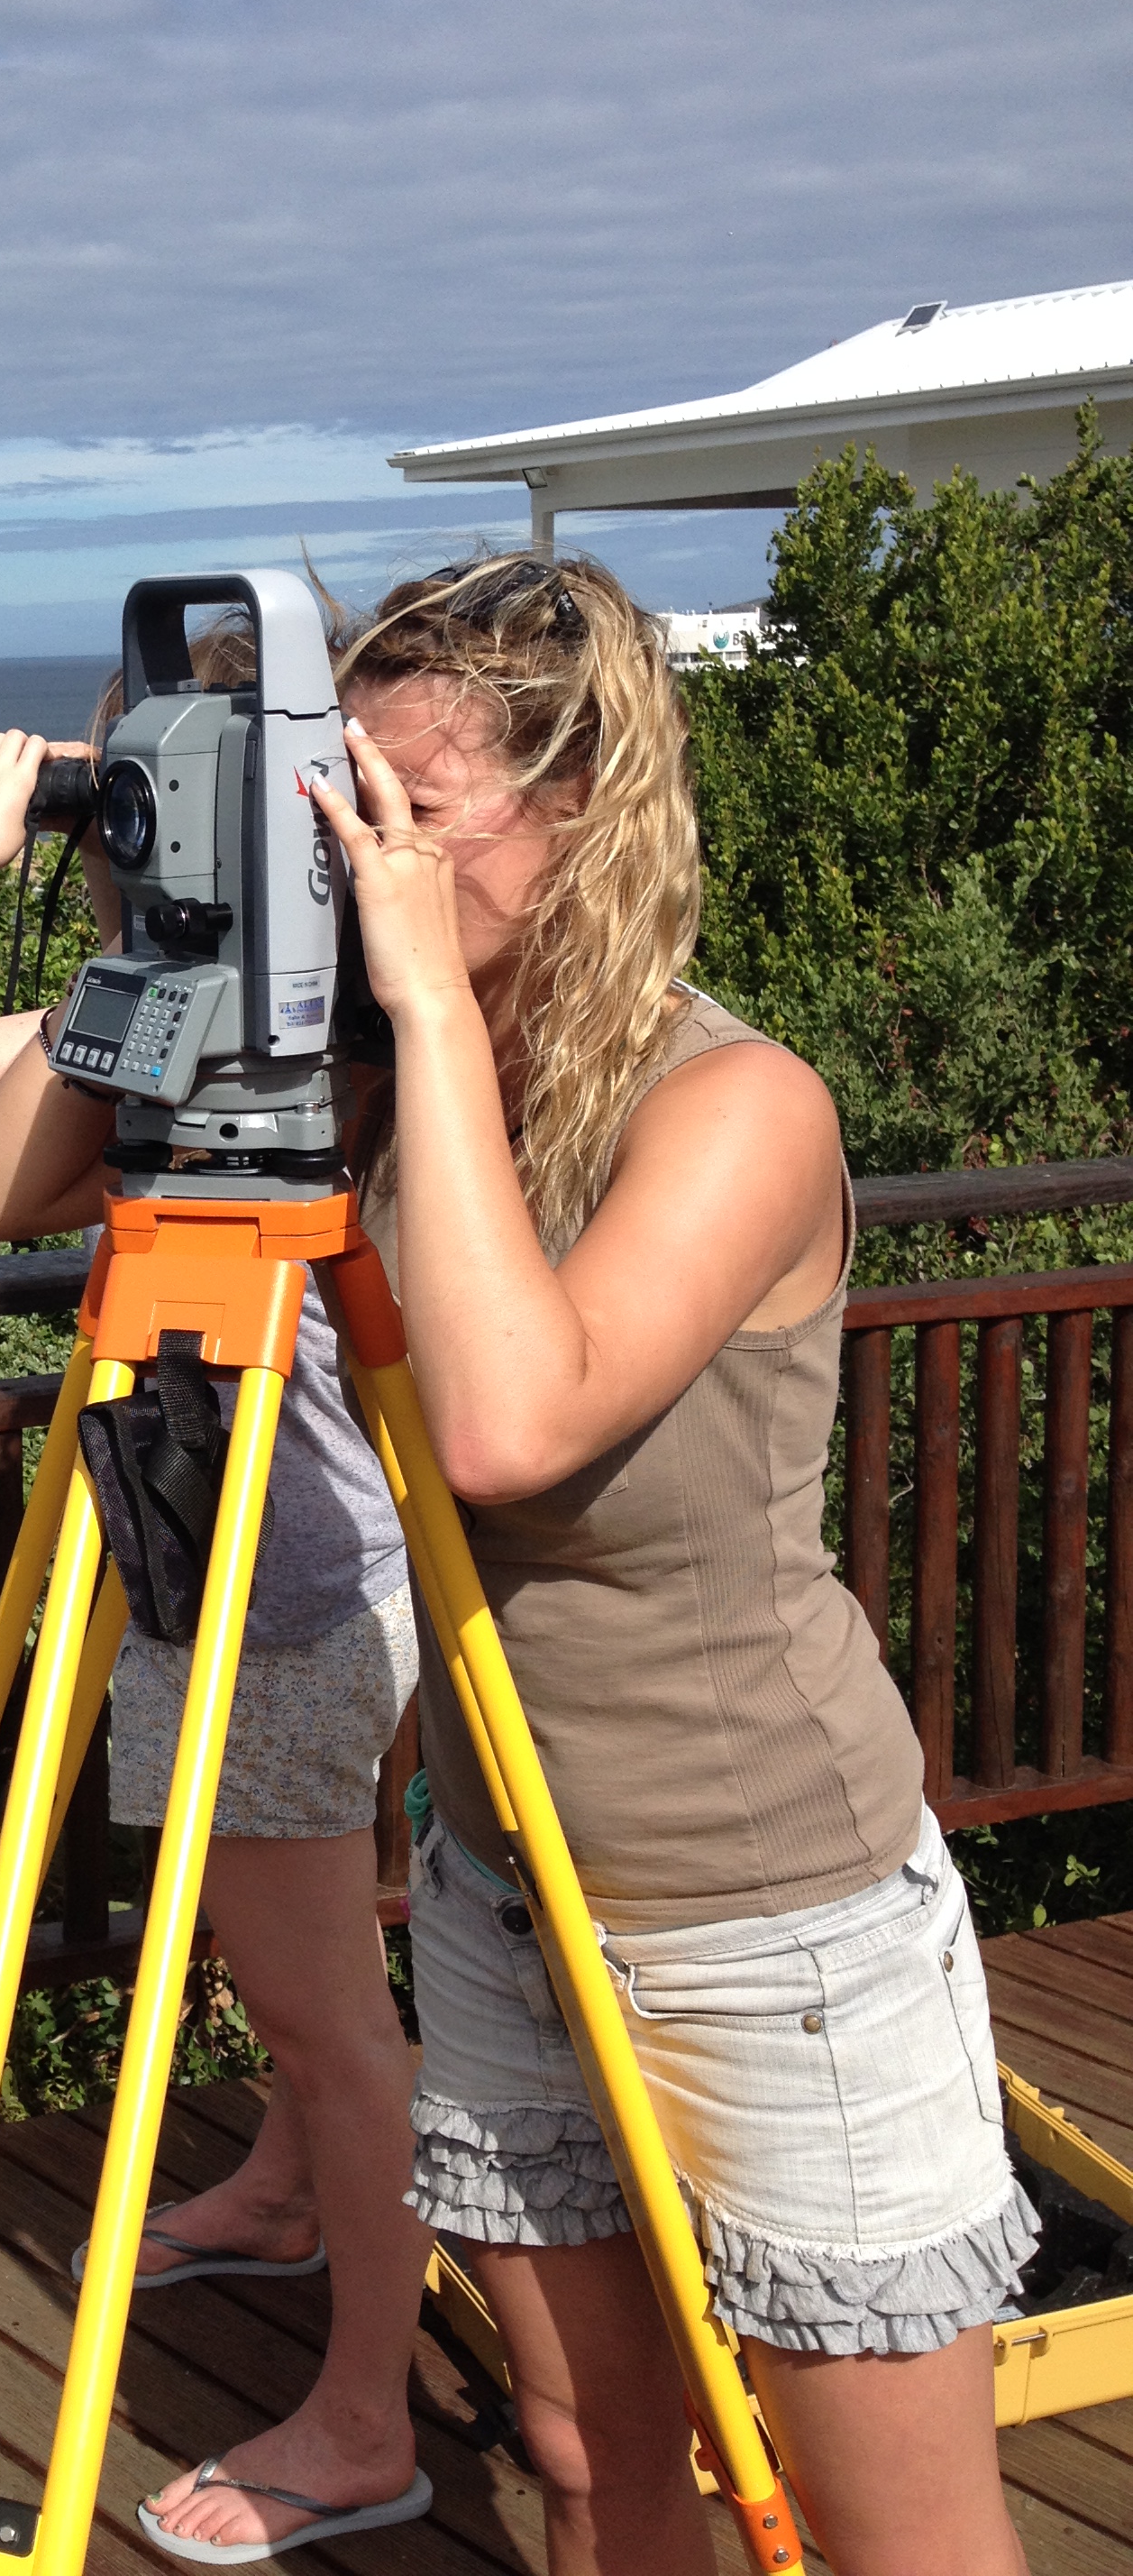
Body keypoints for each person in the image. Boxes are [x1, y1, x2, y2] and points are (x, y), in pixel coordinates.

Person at [302, 554, 1030, 2576]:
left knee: (897, 2534)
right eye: (338, 800)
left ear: (582, 805)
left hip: (767, 1920)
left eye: (411, 811)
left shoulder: (735, 1106)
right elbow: (3, 1170)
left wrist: (421, 1001)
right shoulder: (419, 1077)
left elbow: (515, 1423)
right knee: (580, 2448)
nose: (368, 853)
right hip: (503, 1879)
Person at [0, 656, 439, 2564]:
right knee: (306, 1970)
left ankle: (367, 2414)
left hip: (272, 1602)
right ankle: (278, 2196)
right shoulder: (326, 1016)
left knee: (327, 2013)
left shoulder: (211, 1032)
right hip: (296, 1575)